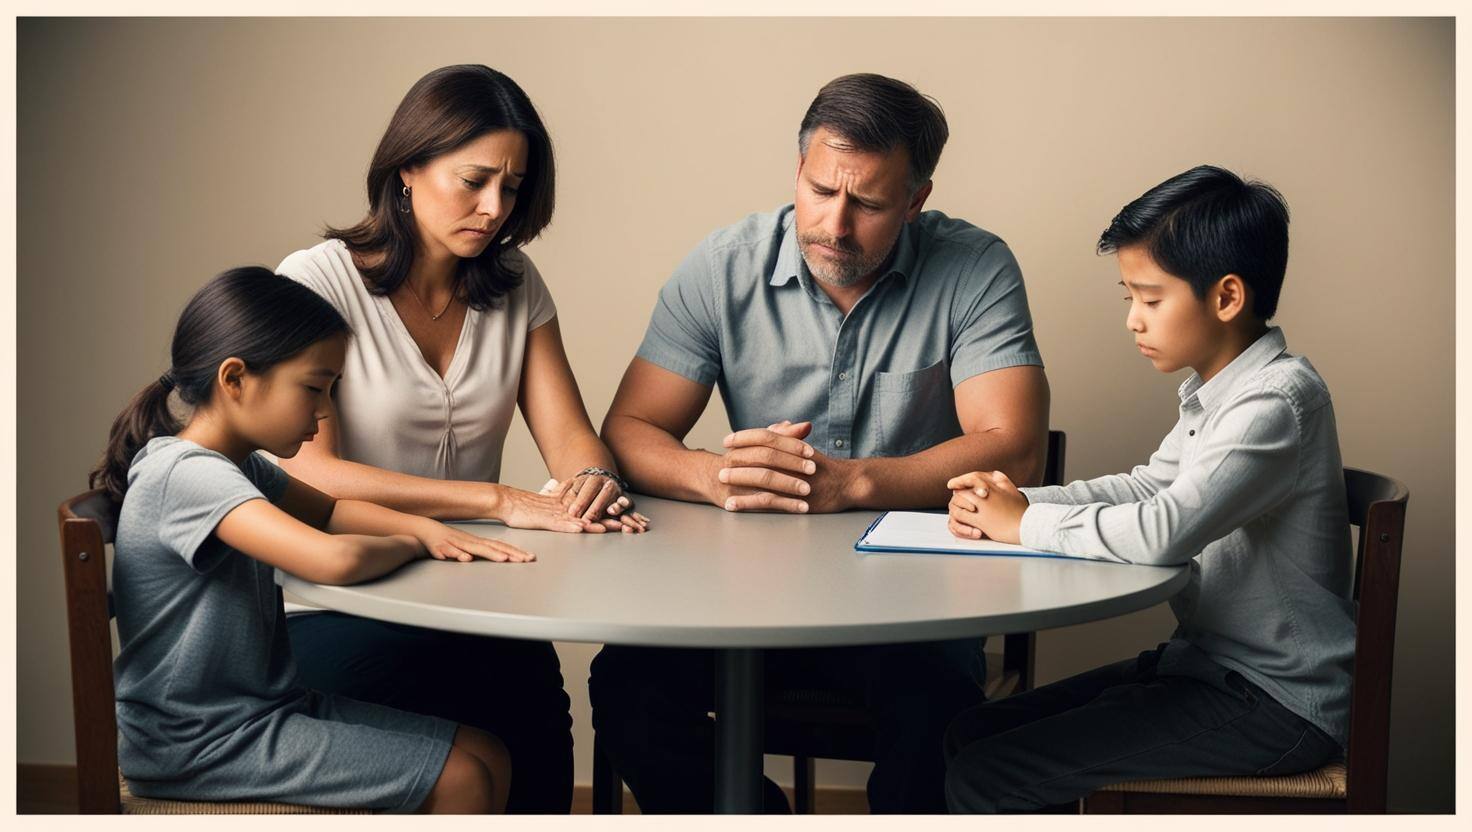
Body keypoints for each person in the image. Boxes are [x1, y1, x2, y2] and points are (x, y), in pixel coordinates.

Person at [590, 73, 1050, 813]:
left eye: (867, 203)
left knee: (936, 711)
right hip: (746, 600)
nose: (835, 226)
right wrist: (713, 477)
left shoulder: (975, 267)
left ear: (915, 200)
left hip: (916, 604)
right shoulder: (722, 264)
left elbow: (1016, 449)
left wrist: (852, 484)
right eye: (818, 191)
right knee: (626, 687)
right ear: (796, 173)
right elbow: (629, 430)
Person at [274, 65, 645, 813]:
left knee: (539, 716)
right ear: (408, 167)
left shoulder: (514, 284)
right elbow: (316, 475)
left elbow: (571, 437)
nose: (494, 208)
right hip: (340, 600)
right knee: (487, 710)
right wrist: (496, 501)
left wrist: (591, 480)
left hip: (474, 594)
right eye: (474, 181)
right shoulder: (316, 285)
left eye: (511, 188)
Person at [942, 165, 1352, 813]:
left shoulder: (1275, 403)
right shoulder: (1217, 397)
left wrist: (1021, 525)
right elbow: (1148, 486)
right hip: (1205, 668)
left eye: (1151, 299)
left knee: (985, 774)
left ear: (1226, 297)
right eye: (1128, 297)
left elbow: (1164, 531)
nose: (1134, 319)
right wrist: (1019, 503)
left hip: (1275, 702)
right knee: (968, 733)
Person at [96, 267, 528, 813]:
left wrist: (427, 527)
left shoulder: (240, 465)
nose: (325, 410)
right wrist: (413, 545)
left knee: (489, 754)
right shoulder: (187, 475)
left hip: (261, 709)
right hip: (201, 741)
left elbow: (331, 511)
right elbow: (335, 558)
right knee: (462, 778)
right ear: (235, 380)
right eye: (313, 388)